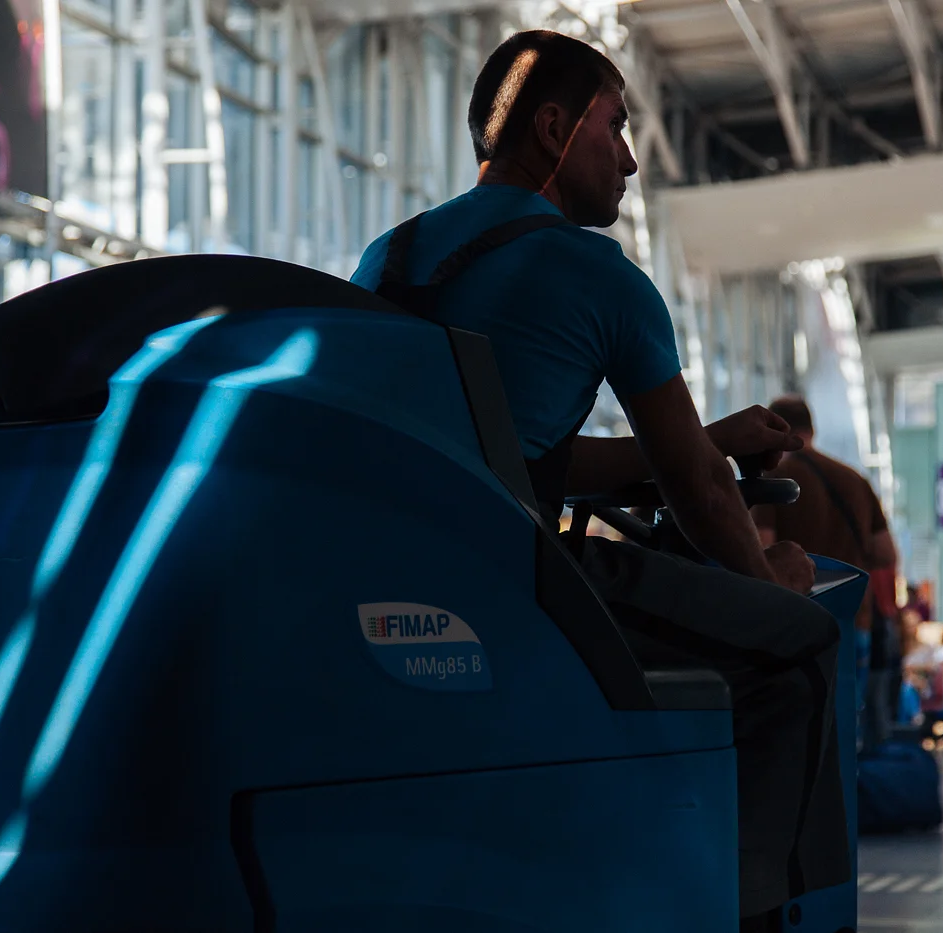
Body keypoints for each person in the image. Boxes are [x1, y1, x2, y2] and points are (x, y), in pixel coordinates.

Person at [350, 30, 846, 931]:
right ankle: (749, 909)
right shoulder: (596, 274)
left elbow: (504, 452)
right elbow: (700, 490)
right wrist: (766, 584)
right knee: (799, 642)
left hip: (384, 580)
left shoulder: (387, 259)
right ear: (552, 128)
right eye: (615, 127)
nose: (628, 160)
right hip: (514, 581)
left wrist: (709, 439)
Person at [750, 396, 898, 747]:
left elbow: (759, 553)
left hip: (798, 625)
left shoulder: (775, 482)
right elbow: (885, 553)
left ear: (774, 431)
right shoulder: (855, 481)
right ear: (812, 429)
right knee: (848, 724)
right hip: (854, 619)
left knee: (803, 732)